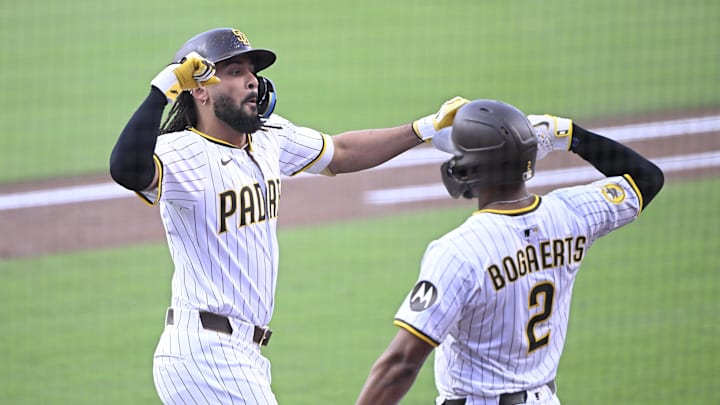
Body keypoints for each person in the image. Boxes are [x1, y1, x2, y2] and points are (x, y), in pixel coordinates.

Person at [108, 27, 469, 404]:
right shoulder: (183, 151)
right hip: (204, 354)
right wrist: (161, 89)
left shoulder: (269, 138)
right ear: (199, 89)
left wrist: (424, 129)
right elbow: (126, 170)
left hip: (243, 354)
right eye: (234, 72)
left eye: (252, 70)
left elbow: (341, 153)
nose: (251, 80)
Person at [355, 99, 664, 405]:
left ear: (471, 168)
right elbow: (647, 177)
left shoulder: (458, 251)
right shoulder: (572, 215)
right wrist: (569, 135)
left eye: (458, 153)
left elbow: (401, 364)